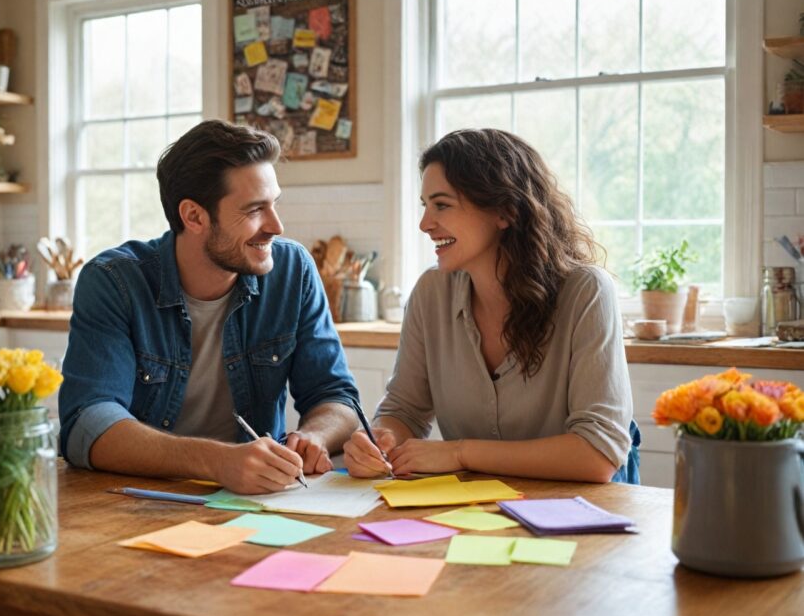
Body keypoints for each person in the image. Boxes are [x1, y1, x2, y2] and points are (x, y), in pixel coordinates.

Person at [59, 120, 360, 494]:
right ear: (194, 216)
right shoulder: (113, 281)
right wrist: (217, 462)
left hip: (258, 500)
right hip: (140, 501)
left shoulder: (292, 270)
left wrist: (314, 436)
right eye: (254, 210)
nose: (276, 226)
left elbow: (337, 397)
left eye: (274, 204)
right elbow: (89, 424)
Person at [344, 128, 640, 484]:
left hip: (578, 511)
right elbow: (404, 410)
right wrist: (381, 440)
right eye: (425, 206)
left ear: (505, 211)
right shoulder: (430, 293)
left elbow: (597, 454)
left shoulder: (586, 292)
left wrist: (458, 452)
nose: (425, 224)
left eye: (442, 205)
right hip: (476, 513)